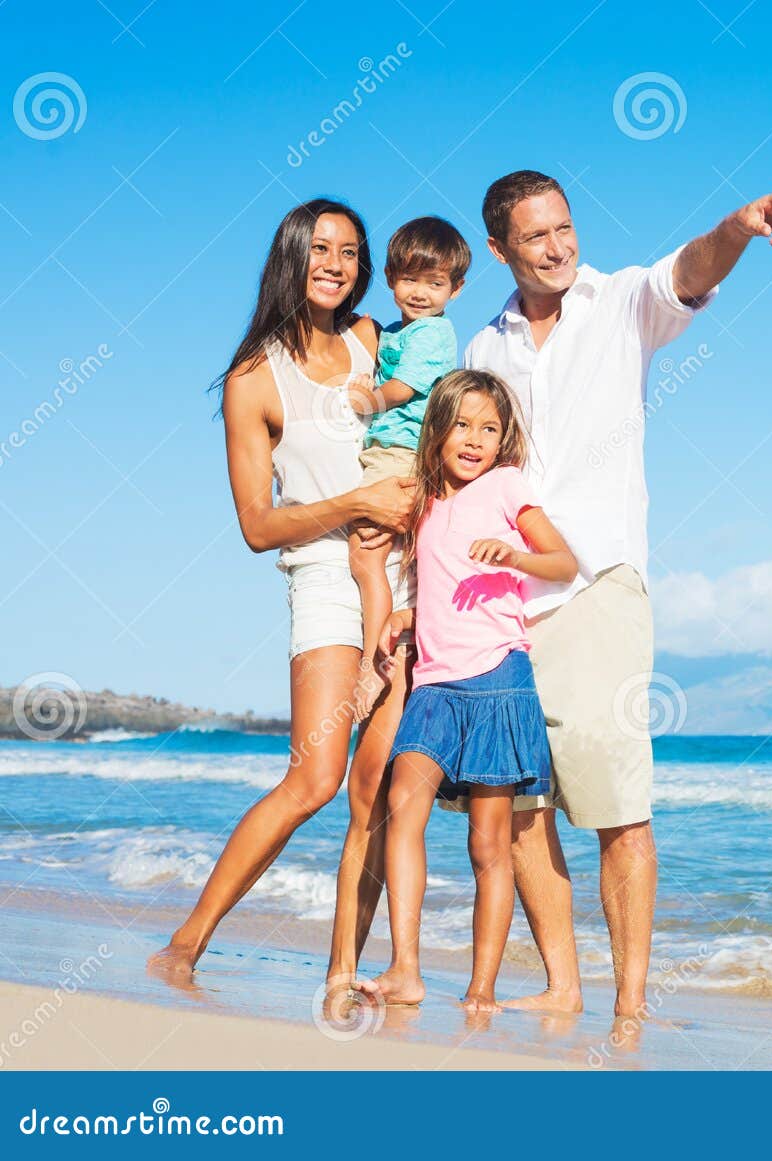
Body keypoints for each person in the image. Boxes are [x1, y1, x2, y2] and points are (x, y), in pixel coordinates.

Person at [462, 169, 772, 1019]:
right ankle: (564, 986)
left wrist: (737, 227)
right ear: (501, 249)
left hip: (597, 584)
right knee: (521, 807)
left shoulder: (618, 302)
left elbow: (686, 271)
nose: (557, 247)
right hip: (502, 604)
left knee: (618, 804)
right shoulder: (482, 350)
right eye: (535, 237)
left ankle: (632, 1001)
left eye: (564, 227)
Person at [147, 200, 417, 998]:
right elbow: (257, 525)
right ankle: (186, 941)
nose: (335, 262)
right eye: (320, 248)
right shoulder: (253, 378)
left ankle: (347, 972)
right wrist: (356, 508)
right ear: (291, 256)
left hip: (406, 578)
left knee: (380, 786)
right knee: (316, 777)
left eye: (350, 251)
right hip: (327, 579)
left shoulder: (376, 341)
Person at [356, 370, 577, 1012]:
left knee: (489, 842)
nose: (475, 439)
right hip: (433, 684)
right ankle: (406, 968)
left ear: (504, 438)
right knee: (403, 806)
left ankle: (481, 988)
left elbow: (562, 562)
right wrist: (406, 615)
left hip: (497, 681)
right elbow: (439, 578)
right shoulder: (424, 502)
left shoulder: (507, 487)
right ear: (438, 428)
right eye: (462, 425)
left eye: (490, 428)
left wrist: (515, 559)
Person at [347, 216, 471, 720]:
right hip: (398, 454)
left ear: (455, 290)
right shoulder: (403, 329)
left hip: (399, 454)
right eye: (410, 280)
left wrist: (369, 400)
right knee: (393, 563)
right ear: (392, 279)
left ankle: (372, 662)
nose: (419, 292)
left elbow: (407, 388)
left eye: (434, 283)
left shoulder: (433, 335)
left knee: (365, 558)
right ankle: (394, 650)